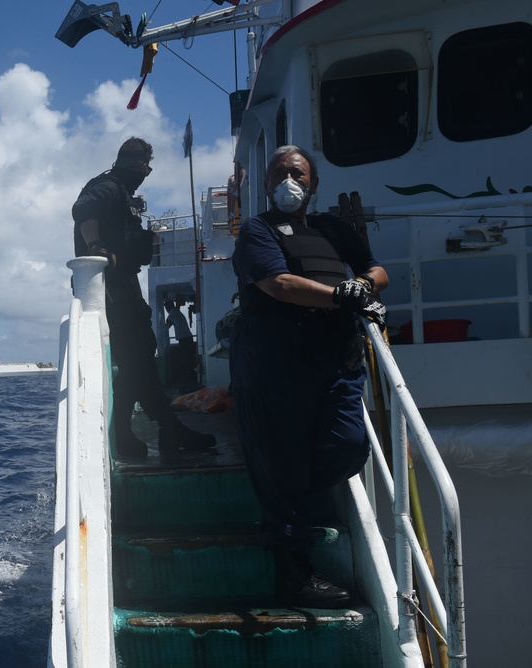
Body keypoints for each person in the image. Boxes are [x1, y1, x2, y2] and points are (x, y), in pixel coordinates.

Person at [229, 145, 387, 608]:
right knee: (282, 460)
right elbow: (278, 284)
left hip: (335, 359)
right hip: (276, 361)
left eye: (297, 173)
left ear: (313, 184)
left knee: (349, 445)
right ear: (267, 183)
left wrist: (365, 285)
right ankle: (292, 569)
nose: (288, 180)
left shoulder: (333, 229)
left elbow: (376, 269)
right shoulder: (257, 230)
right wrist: (343, 296)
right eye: (279, 173)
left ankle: (288, 488)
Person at [72, 137, 216, 462]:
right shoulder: (107, 187)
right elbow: (85, 211)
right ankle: (155, 429)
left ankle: (155, 429)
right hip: (111, 288)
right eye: (147, 167)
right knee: (136, 358)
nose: (147, 172)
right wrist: (95, 247)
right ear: (141, 164)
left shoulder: (121, 192)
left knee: (139, 356)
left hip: (122, 285)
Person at [163, 300, 198, 390]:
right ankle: (190, 382)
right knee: (187, 361)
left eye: (166, 307)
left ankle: (188, 383)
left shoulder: (173, 312)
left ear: (169, 307)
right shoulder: (176, 312)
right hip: (187, 338)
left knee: (186, 361)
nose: (166, 310)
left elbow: (167, 324)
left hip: (185, 340)